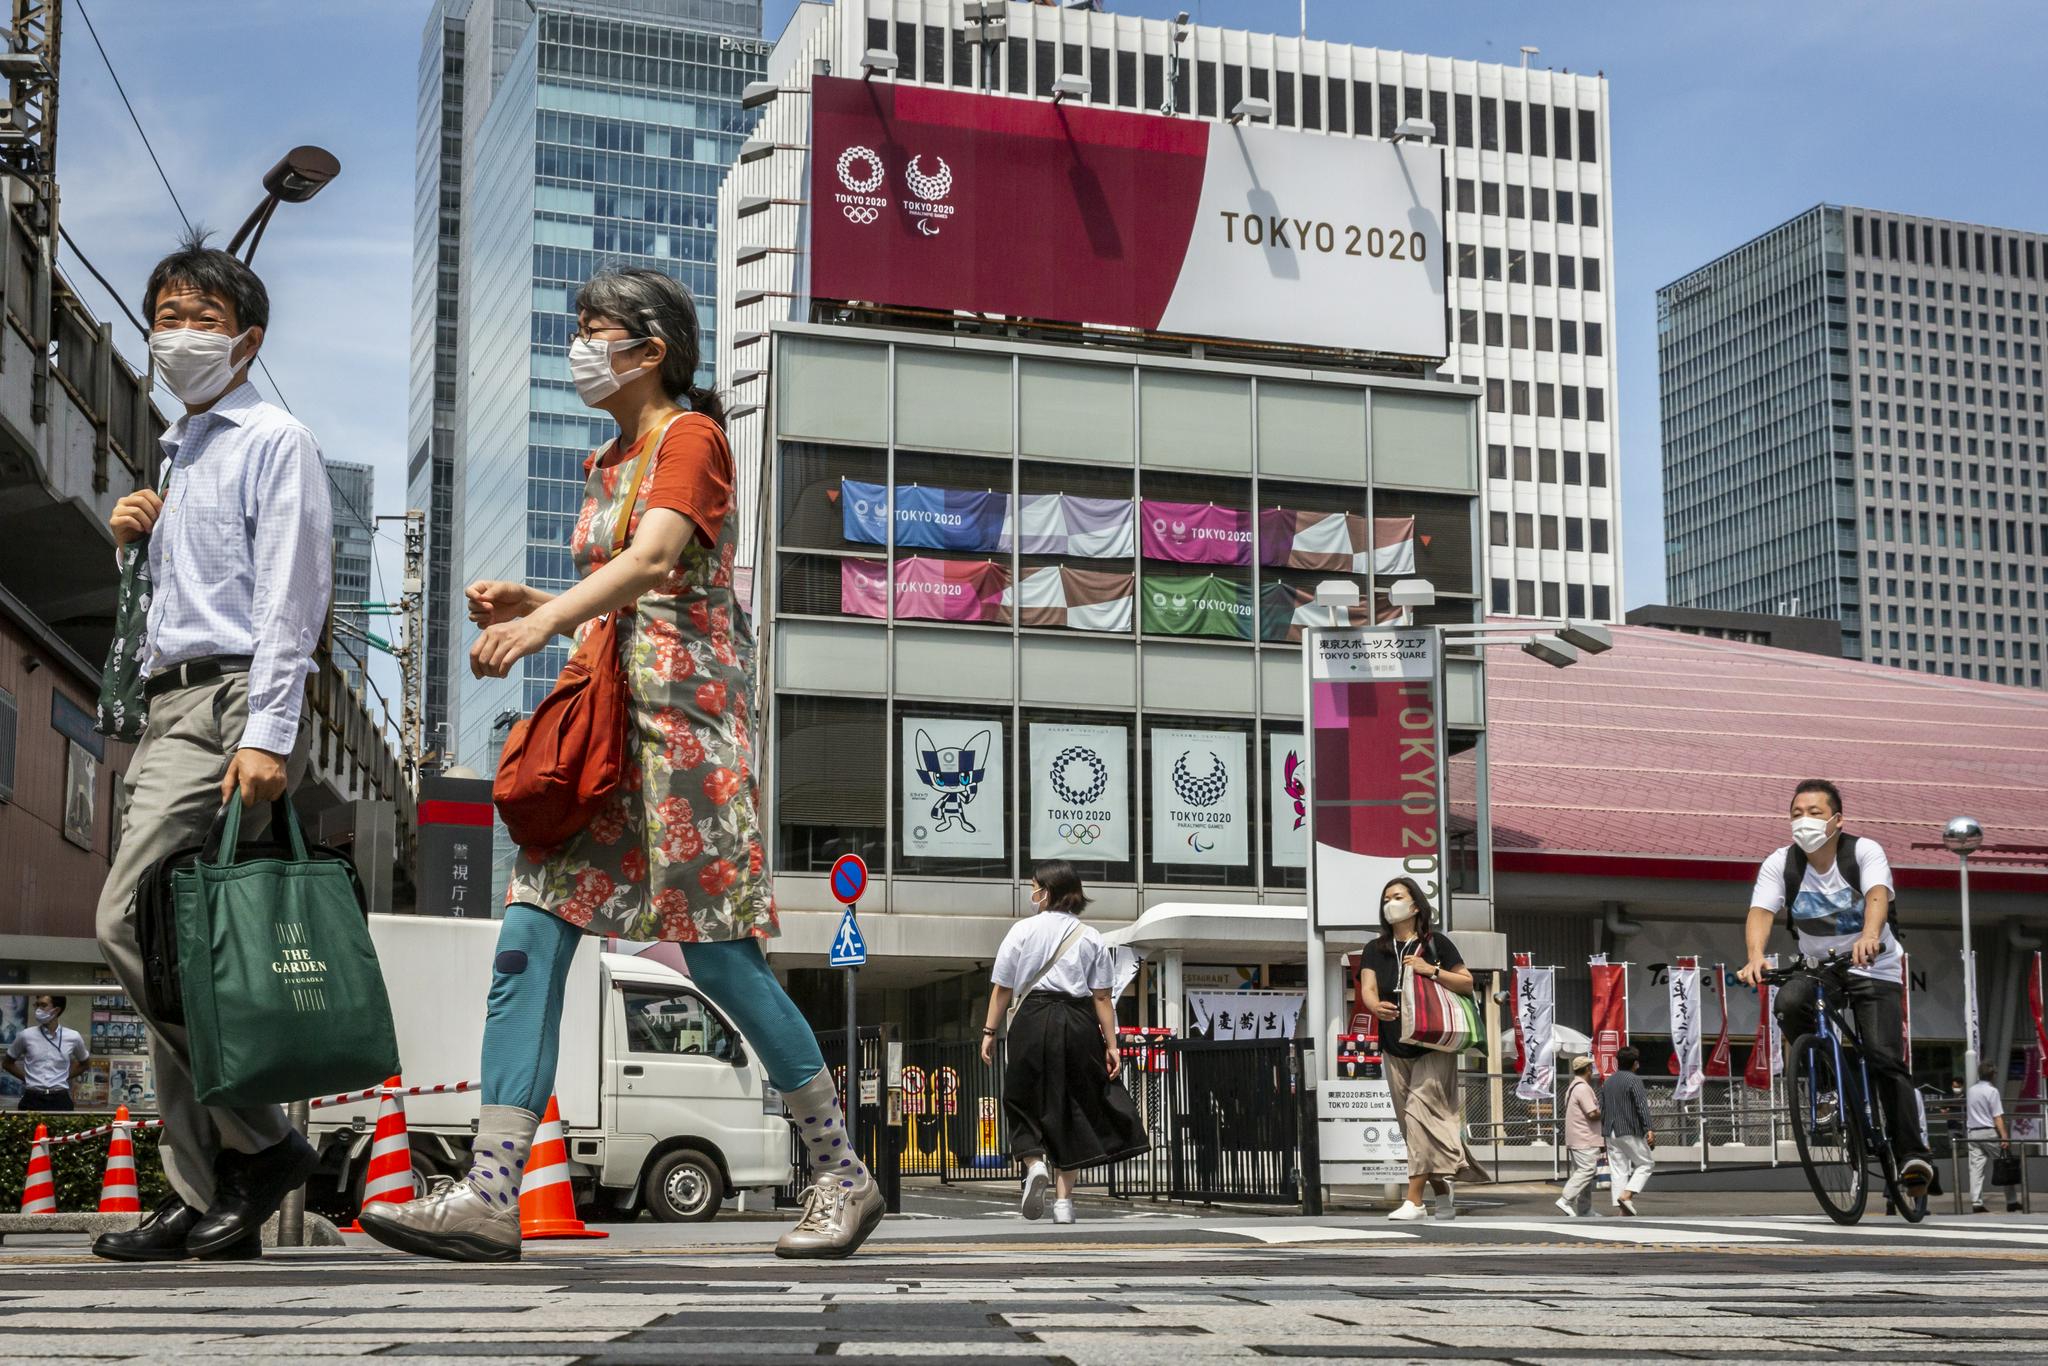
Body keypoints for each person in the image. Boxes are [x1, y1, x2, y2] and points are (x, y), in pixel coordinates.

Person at [360, 267, 879, 1263]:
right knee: (525, 942)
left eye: (598, 330)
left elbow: (652, 563)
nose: (581, 347)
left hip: (687, 745)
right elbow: (626, 582)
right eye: (580, 328)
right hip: (607, 739)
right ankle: (490, 1193)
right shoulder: (612, 458)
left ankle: (840, 1176)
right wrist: (533, 602)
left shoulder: (691, 437)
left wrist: (546, 618)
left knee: (723, 960)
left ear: (653, 348)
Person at [91, 232, 332, 1263]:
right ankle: (200, 1193)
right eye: (168, 315)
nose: (179, 334)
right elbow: (176, 606)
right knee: (175, 951)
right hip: (168, 706)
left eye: (201, 316)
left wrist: (269, 733)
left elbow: (290, 594)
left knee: (131, 928)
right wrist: (131, 537)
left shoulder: (274, 437)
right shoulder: (178, 449)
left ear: (248, 337)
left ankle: (265, 1139)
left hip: (230, 707)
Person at [1737, 779, 1934, 1197]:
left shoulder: (1863, 852)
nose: (1803, 821)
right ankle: (1828, 1087)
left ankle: (1912, 1156)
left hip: (1872, 965)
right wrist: (1756, 956)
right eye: (1796, 814)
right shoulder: (1781, 863)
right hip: (1820, 967)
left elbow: (1878, 895)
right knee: (1789, 1003)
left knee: (1884, 1058)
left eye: (1814, 813)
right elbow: (1760, 911)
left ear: (1837, 820)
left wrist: (1869, 934)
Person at [980, 861, 1146, 1227]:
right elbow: (1102, 997)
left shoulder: (1022, 931)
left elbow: (1003, 988)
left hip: (1032, 1017)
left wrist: (989, 1032)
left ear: (1049, 891)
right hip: (1078, 1022)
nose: (1032, 893)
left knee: (1021, 1098)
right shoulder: (1090, 936)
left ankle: (1034, 1162)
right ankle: (1064, 1203)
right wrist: (1112, 1045)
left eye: (1035, 886)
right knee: (1074, 1104)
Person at [1355, 877, 1483, 1221]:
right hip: (1393, 1043)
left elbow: (1467, 982)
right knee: (1409, 1124)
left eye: (1397, 896)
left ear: (1415, 906)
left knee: (1419, 1114)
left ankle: (1415, 1201)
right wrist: (1374, 1006)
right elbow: (1366, 988)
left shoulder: (1436, 943)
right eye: (1386, 898)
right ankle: (1443, 1190)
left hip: (1433, 1043)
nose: (1389, 903)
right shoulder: (1375, 948)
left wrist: (1432, 970)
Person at [4, 995, 89, 1111]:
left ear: (57, 1010)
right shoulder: (26, 1035)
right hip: (32, 1098)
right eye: (37, 1005)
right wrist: (27, 1079)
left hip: (60, 1098)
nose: (38, 1009)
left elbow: (85, 1063)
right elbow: (7, 1063)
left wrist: (64, 1077)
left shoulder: (73, 1037)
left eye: (43, 1005)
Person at [1600, 1046, 1655, 1215]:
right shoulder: (1634, 1080)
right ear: (1636, 1064)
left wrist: (1604, 1131)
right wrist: (1649, 1129)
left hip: (1610, 1131)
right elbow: (1641, 1106)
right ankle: (1627, 1195)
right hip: (1629, 1129)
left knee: (1618, 1169)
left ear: (1617, 1062)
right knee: (1646, 1164)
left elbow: (1602, 1108)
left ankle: (1621, 1210)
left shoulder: (1608, 1081)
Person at [1966, 1065, 2018, 1214]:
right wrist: (2004, 1136)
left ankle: (1976, 1202)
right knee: (2005, 1163)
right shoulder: (1992, 1091)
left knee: (1976, 1169)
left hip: (1973, 1134)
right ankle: (2012, 1201)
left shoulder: (1971, 1090)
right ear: (1993, 1075)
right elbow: (1997, 1116)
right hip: (1988, 1132)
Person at [1555, 1055, 1603, 1217]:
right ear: (1588, 1069)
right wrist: (1606, 1113)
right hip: (1585, 1137)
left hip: (1577, 1136)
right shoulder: (1583, 1088)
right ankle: (1566, 1199)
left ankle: (1585, 1209)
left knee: (1584, 1174)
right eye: (1591, 1068)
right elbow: (1592, 1113)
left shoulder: (1573, 1087)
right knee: (1587, 1170)